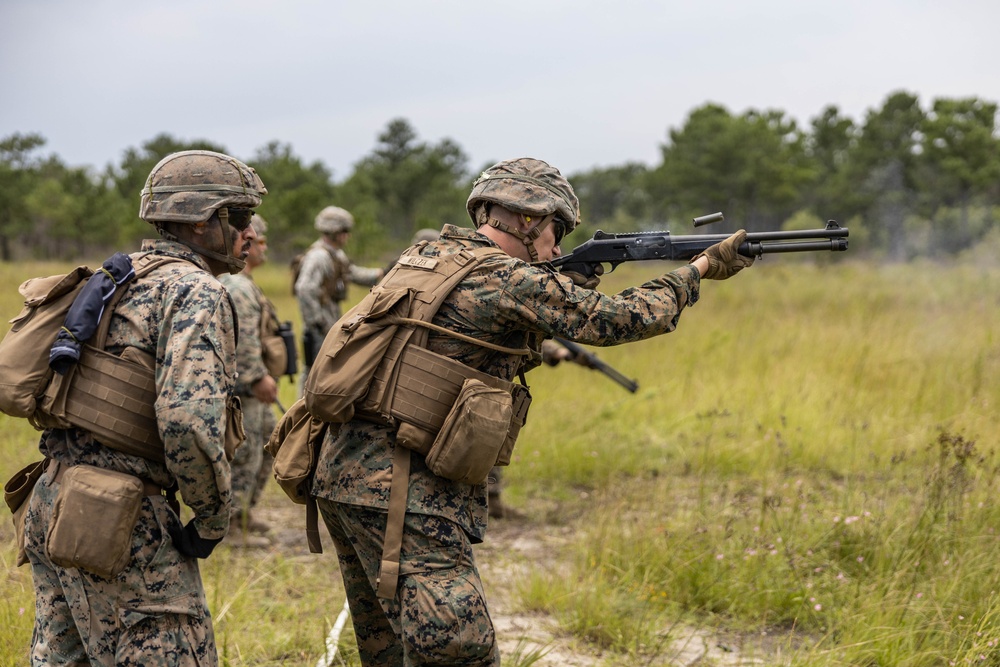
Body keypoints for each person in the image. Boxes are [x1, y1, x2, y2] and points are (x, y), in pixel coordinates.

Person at [308, 157, 753, 665]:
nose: (558, 248)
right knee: (459, 652)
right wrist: (698, 271)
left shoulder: (429, 255)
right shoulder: (505, 277)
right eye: (555, 230)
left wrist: (573, 279)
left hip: (343, 473)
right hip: (404, 489)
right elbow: (622, 319)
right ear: (527, 219)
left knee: (390, 650)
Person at [22, 150, 265, 666]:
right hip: (122, 516)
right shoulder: (195, 290)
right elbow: (187, 421)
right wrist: (214, 514)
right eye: (239, 217)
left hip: (50, 498)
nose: (249, 231)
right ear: (203, 223)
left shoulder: (119, 277)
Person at [219, 213, 282, 548]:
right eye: (259, 241)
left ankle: (244, 511)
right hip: (244, 388)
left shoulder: (244, 283)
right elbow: (242, 339)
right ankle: (230, 525)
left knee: (267, 442)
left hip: (251, 386)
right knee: (246, 453)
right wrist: (257, 377)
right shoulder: (238, 286)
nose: (263, 247)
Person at [294, 205, 383, 388]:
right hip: (319, 329)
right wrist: (317, 322)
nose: (347, 236)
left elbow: (352, 273)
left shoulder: (336, 255)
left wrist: (381, 273)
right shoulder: (318, 257)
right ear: (334, 231)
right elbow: (304, 289)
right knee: (313, 374)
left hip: (330, 324)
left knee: (328, 373)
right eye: (345, 231)